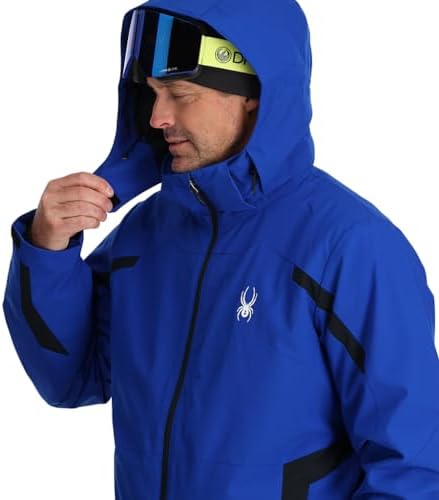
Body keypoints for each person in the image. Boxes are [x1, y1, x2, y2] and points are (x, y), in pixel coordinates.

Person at [3, 0, 439, 498]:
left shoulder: (351, 247)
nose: (158, 117)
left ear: (252, 93)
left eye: (180, 95)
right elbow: (72, 379)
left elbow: (415, 467)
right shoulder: (145, 235)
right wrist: (48, 249)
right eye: (152, 94)